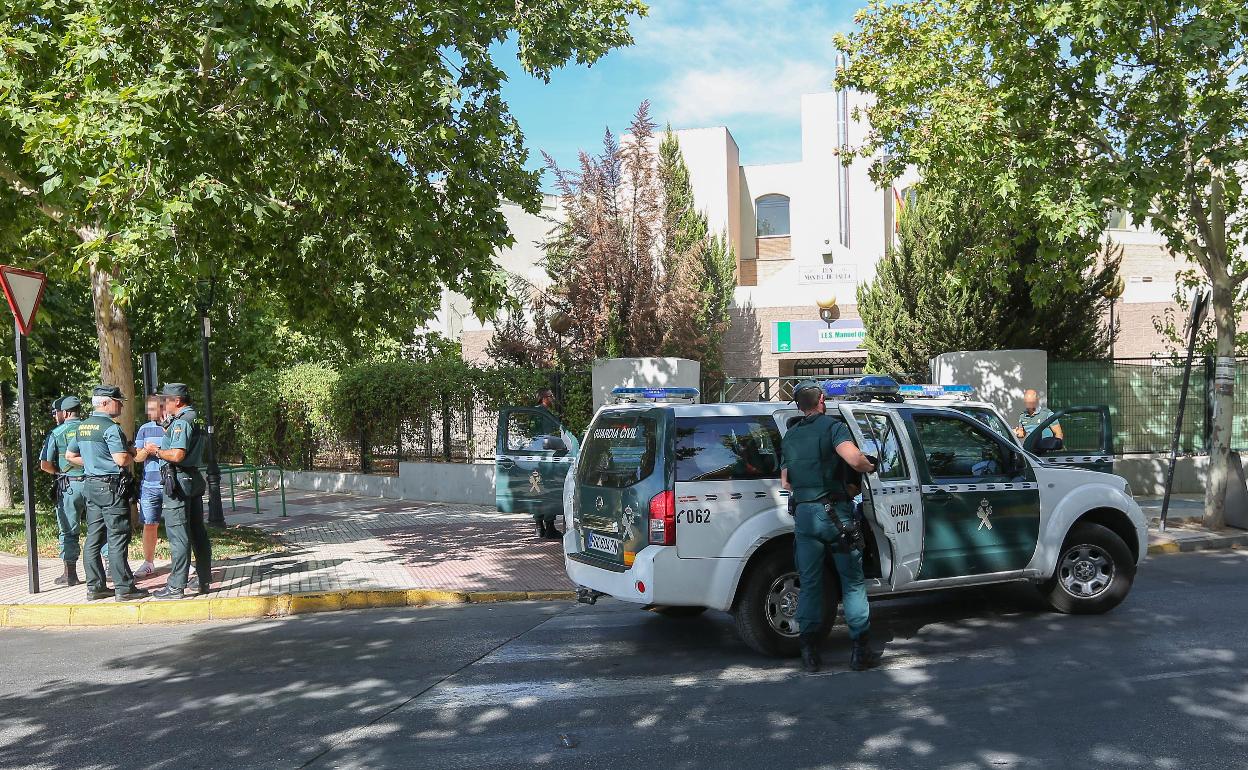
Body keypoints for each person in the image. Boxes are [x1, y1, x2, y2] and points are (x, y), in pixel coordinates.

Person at [781, 380, 880, 673]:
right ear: (822, 399)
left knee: (810, 584)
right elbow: (854, 459)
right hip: (836, 518)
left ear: (799, 405)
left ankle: (809, 653)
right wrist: (871, 465)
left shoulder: (790, 435)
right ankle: (859, 652)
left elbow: (785, 482)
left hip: (805, 518)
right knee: (851, 584)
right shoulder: (833, 427)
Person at [66, 385, 148, 601]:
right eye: (117, 401)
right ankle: (124, 588)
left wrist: (95, 462)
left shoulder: (82, 427)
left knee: (94, 537)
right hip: (111, 489)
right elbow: (121, 460)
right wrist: (132, 453)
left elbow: (70, 456)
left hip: (91, 486)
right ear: (104, 402)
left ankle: (95, 587)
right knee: (118, 536)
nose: (120, 404)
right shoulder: (111, 428)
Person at [147, 383, 212, 600]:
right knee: (197, 532)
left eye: (165, 400)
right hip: (191, 479)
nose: (163, 403)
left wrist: (156, 450)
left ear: (177, 401)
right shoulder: (193, 417)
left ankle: (176, 586)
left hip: (178, 481)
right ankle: (203, 580)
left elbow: (177, 455)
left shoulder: (181, 423)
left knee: (178, 535)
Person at [39, 397, 86, 586]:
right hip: (94, 484)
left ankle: (70, 575)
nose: (54, 416)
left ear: (65, 413)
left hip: (69, 486)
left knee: (68, 530)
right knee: (102, 528)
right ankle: (107, 570)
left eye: (55, 413)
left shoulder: (56, 433)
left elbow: (45, 464)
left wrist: (59, 472)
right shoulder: (89, 428)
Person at [131, 394, 166, 578]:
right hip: (149, 486)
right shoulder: (144, 429)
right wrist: (146, 451)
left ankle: (182, 561)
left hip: (169, 485)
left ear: (163, 408)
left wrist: (159, 451)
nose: (149, 412)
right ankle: (148, 562)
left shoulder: (172, 427)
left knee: (178, 525)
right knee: (149, 523)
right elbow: (136, 457)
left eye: (153, 409)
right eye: (148, 409)